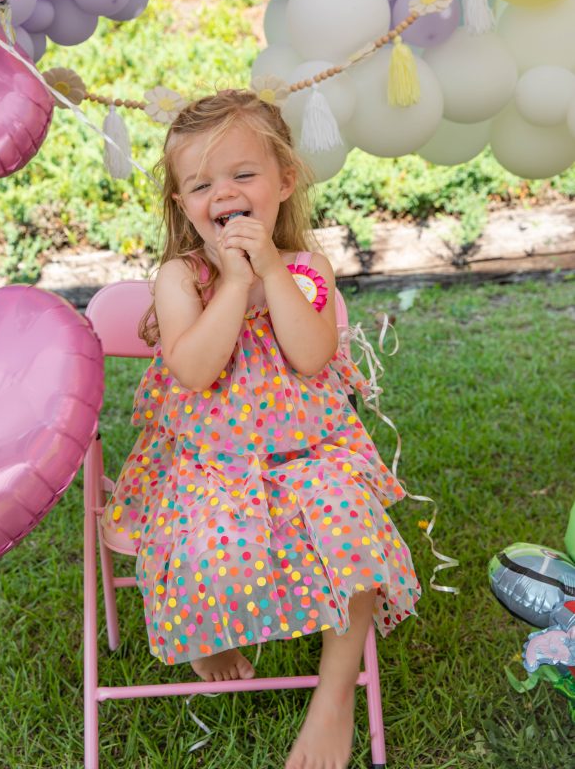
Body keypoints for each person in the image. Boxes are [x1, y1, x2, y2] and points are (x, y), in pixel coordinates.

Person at [102, 90, 420, 769]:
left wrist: (270, 270)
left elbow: (309, 358)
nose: (223, 192)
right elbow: (193, 370)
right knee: (197, 551)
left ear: (283, 181)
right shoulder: (179, 277)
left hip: (310, 455)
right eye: (200, 183)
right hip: (207, 464)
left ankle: (332, 701)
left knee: (355, 536)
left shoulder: (306, 270)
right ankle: (207, 639)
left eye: (242, 175)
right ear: (183, 203)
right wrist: (229, 282)